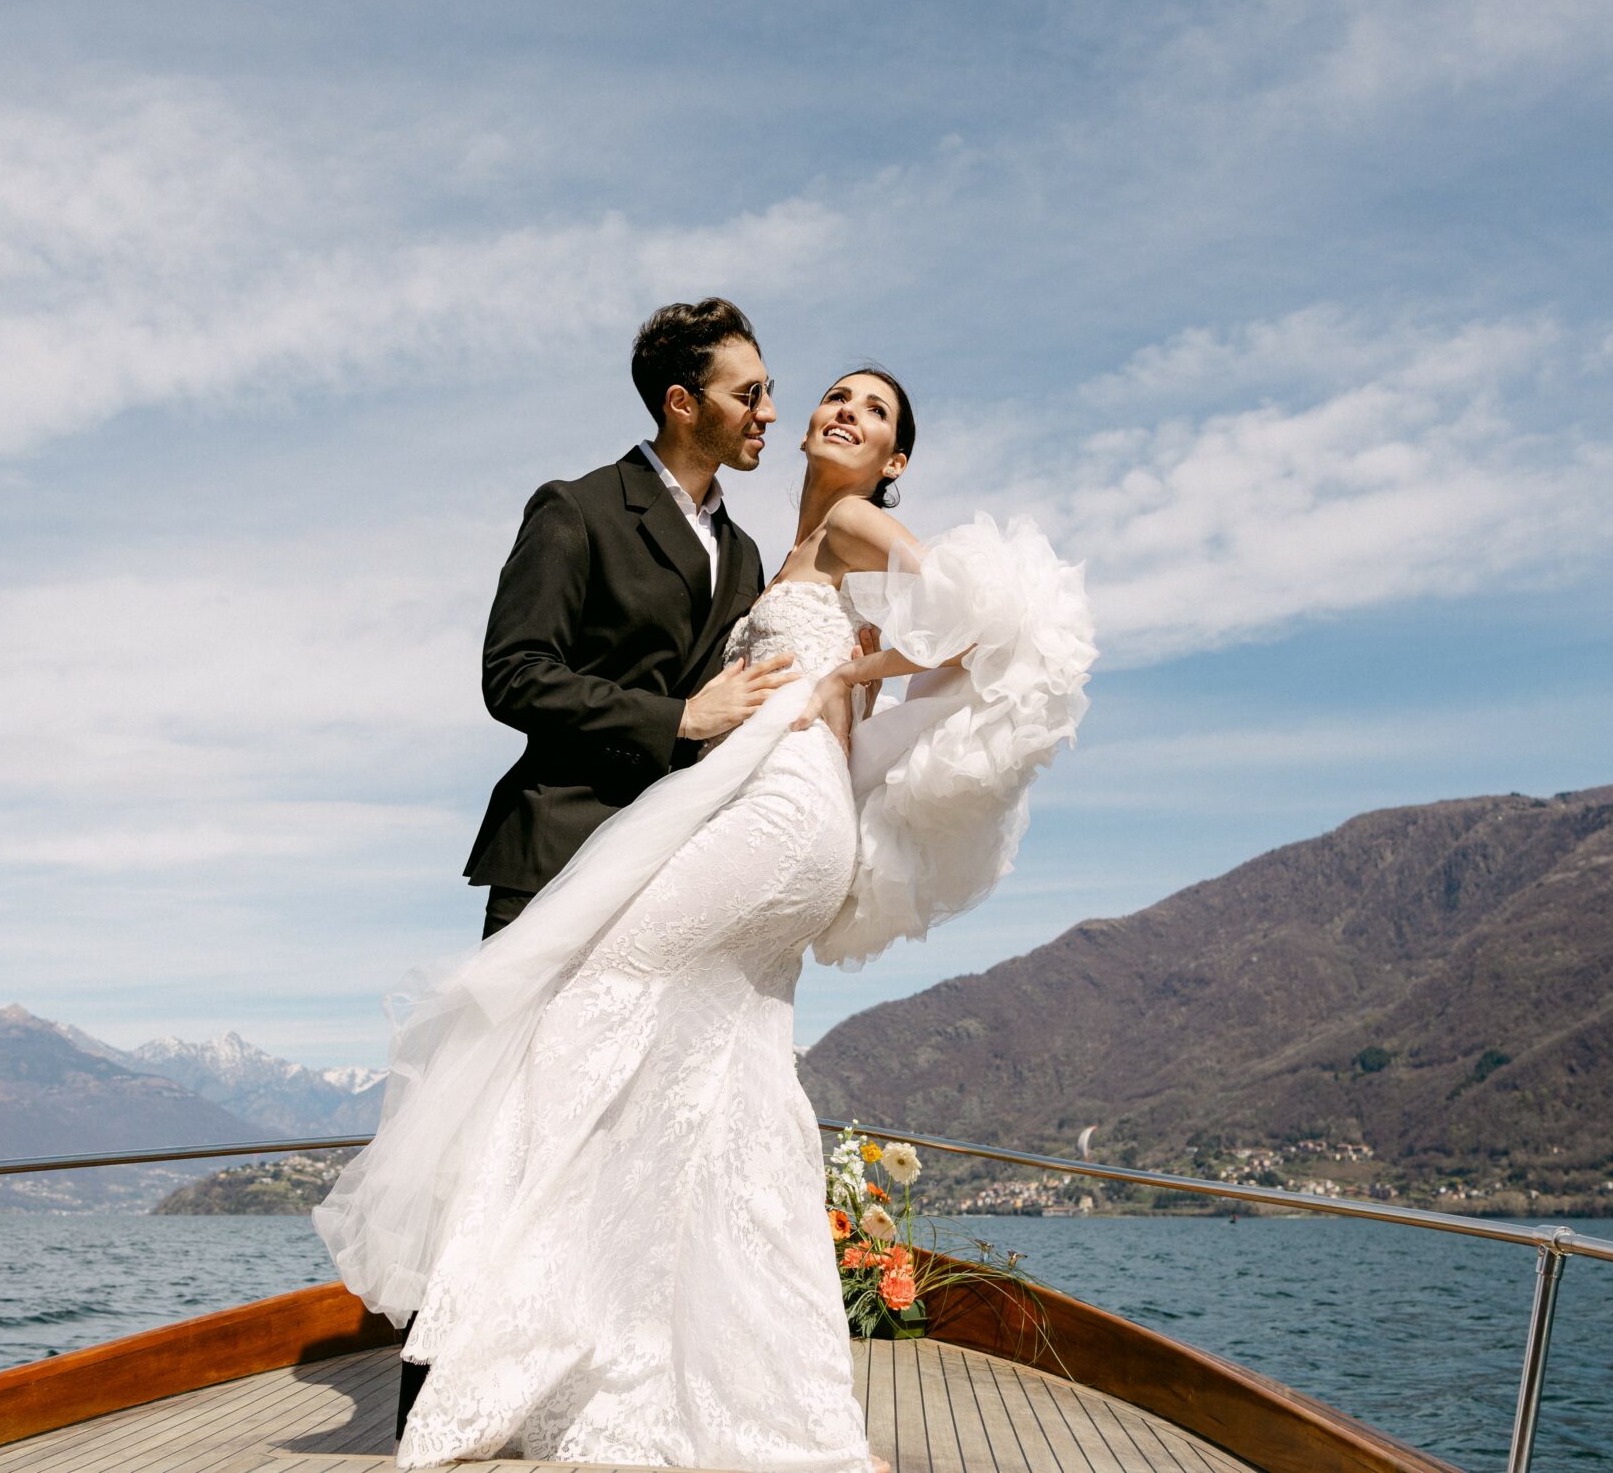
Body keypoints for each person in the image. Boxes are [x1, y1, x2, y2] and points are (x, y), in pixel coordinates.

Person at [317, 365, 1095, 1473]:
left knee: (592, 994)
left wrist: (853, 668)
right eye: (833, 396)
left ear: (895, 462)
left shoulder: (856, 524)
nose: (838, 412)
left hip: (785, 809)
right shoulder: (783, 553)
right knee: (730, 1073)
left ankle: (539, 1331)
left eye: (872, 412)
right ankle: (715, 1369)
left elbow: (975, 624)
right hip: (785, 813)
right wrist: (853, 666)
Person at [463, 296, 794, 941]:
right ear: (682, 403)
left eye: (769, 389)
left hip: (678, 869)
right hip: (561, 854)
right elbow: (514, 675)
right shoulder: (576, 510)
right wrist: (679, 718)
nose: (769, 412)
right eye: (749, 394)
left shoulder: (744, 551)